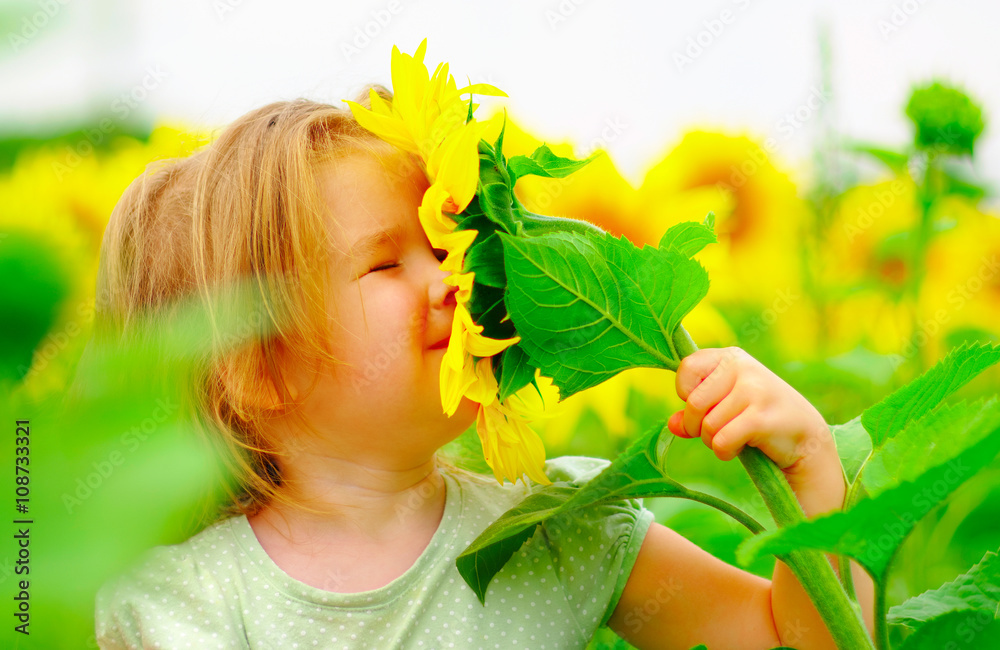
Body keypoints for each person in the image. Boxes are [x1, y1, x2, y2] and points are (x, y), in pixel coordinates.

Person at [93, 93, 874, 650]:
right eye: (383, 263)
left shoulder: (557, 528)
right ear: (262, 367)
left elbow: (794, 641)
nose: (453, 280)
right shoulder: (184, 603)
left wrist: (814, 473)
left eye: (443, 246)